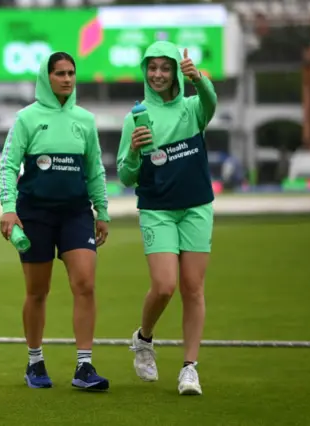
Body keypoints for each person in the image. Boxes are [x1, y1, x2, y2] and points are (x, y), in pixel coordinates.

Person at [0, 52, 111, 391]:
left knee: (85, 284)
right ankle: (35, 363)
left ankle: (84, 366)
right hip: (35, 214)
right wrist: (8, 207)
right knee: (37, 291)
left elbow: (95, 169)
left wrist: (101, 211)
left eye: (71, 73)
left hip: (76, 213)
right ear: (46, 78)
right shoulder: (26, 119)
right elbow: (7, 166)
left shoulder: (85, 120)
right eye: (59, 73)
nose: (66, 78)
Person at [116, 41, 217, 396]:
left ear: (176, 71)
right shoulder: (135, 117)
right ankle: (143, 339)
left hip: (197, 206)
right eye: (152, 67)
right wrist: (132, 150)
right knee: (164, 286)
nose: (157, 74)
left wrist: (199, 79)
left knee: (193, 288)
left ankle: (190, 368)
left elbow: (211, 102)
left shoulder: (193, 109)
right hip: (157, 208)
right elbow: (126, 177)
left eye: (165, 67)